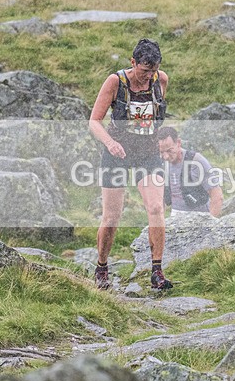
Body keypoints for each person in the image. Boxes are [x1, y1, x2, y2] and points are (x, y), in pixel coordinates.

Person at [89, 38, 172, 291]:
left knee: (156, 208)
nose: (148, 77)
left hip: (148, 153)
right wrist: (110, 143)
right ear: (132, 62)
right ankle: (102, 267)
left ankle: (157, 271)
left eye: (153, 71)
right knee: (112, 216)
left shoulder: (161, 80)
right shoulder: (115, 82)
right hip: (117, 153)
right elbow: (94, 122)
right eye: (144, 71)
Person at [156, 126, 224, 217]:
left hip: (199, 217)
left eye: (169, 151)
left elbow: (217, 197)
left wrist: (210, 225)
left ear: (178, 143)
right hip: (175, 217)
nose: (166, 157)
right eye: (162, 152)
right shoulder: (161, 163)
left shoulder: (196, 161)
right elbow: (160, 199)